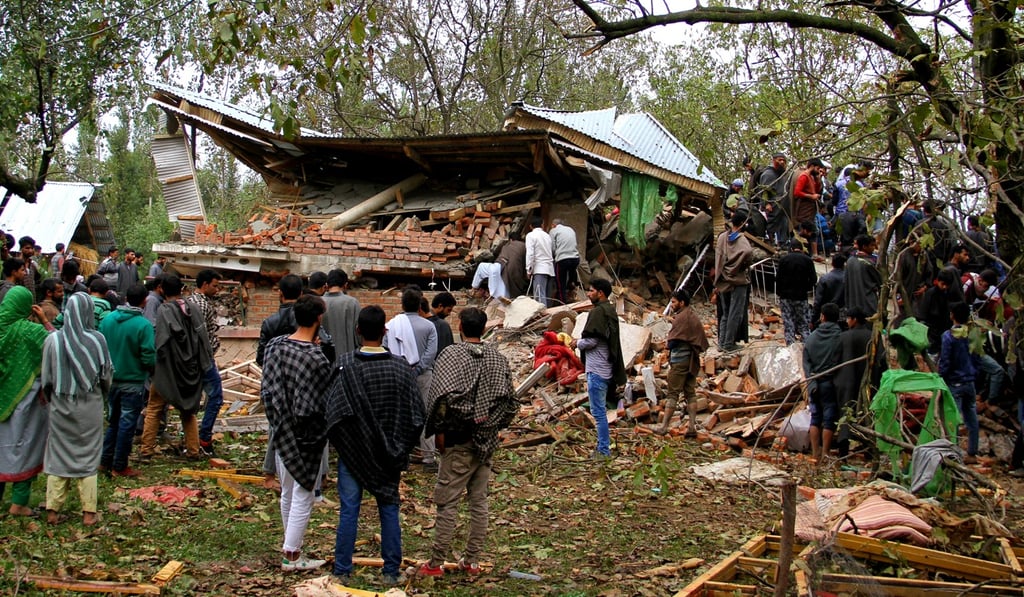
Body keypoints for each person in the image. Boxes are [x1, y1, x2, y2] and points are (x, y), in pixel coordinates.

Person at [326, 305, 425, 585]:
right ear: (385, 331)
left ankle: (342, 571)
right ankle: (391, 571)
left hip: (353, 453)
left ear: (358, 331)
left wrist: (344, 442)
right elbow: (416, 415)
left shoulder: (346, 365)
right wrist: (401, 446)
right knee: (389, 507)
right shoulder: (400, 368)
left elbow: (332, 413)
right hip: (388, 454)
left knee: (349, 510)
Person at [419, 307, 517, 578]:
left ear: (460, 326)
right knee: (479, 501)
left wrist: (439, 431)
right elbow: (510, 401)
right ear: (484, 328)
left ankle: (436, 563)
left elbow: (440, 398)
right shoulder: (497, 358)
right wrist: (493, 424)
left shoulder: (451, 354)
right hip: (485, 441)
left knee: (448, 502)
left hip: (457, 439)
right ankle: (472, 561)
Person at [261, 295, 333, 571]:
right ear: (318, 318)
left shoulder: (275, 347)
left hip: (281, 428)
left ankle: (290, 543)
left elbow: (268, 388)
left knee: (288, 492)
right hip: (306, 434)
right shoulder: (315, 357)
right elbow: (318, 402)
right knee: (304, 493)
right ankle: (292, 554)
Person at [41, 292, 112, 526]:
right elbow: (106, 375)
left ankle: (52, 511)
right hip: (90, 405)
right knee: (89, 455)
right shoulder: (97, 340)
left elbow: (47, 379)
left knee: (58, 454)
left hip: (61, 405)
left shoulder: (53, 340)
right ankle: (89, 513)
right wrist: (102, 396)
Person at [140, 275, 212, 461]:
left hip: (167, 370)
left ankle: (146, 449)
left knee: (154, 407)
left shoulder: (164, 310)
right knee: (188, 410)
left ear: (162, 289)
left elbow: (161, 342)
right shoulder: (193, 308)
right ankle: (193, 450)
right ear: (181, 289)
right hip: (189, 369)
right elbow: (203, 336)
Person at [0, 287, 52, 517]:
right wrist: (44, 321)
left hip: (3, 399)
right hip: (26, 401)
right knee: (26, 444)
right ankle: (19, 502)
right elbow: (58, 344)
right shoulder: (30, 332)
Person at [99, 284, 155, 478]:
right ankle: (120, 465)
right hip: (133, 380)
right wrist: (152, 371)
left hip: (111, 379)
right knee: (127, 424)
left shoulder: (108, 320)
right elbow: (148, 355)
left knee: (113, 421)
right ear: (144, 300)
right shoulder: (143, 325)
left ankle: (105, 461)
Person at [384, 287, 439, 469]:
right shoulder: (428, 326)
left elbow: (386, 349)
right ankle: (428, 457)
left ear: (402, 304)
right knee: (425, 415)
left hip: (397, 375)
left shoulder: (392, 325)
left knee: (400, 414)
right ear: (419, 305)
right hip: (423, 376)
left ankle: (400, 454)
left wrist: (401, 370)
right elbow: (431, 353)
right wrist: (417, 369)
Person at [571, 278, 626, 458]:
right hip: (607, 368)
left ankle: (603, 450)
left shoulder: (598, 312)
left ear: (600, 293)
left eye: (591, 290)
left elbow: (593, 340)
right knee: (600, 411)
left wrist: (576, 343)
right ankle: (603, 447)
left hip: (597, 370)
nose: (588, 293)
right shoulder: (610, 310)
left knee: (598, 413)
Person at [657, 289, 708, 436]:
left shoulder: (681, 318)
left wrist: (667, 345)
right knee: (690, 393)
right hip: (692, 361)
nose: (671, 305)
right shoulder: (692, 316)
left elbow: (672, 342)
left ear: (682, 302)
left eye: (673, 302)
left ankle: (664, 426)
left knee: (673, 393)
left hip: (680, 361)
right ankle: (692, 426)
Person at [187, 269, 224, 456]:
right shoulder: (200, 305)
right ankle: (204, 437)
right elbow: (199, 336)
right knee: (216, 396)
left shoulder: (192, 301)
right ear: (205, 284)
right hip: (203, 358)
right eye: (215, 286)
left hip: (198, 358)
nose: (217, 290)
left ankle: (192, 439)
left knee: (193, 399)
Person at [939, 303, 979, 464]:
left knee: (953, 418)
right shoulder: (972, 334)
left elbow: (945, 361)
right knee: (971, 417)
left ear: (952, 315)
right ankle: (972, 451)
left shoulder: (949, 336)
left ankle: (953, 453)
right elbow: (977, 357)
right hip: (969, 381)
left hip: (954, 382)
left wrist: (940, 376)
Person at [803, 302, 843, 462]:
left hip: (814, 383)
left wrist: (811, 382)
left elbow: (806, 363)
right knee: (829, 418)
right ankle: (826, 453)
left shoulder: (811, 338)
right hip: (831, 383)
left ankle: (815, 454)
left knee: (815, 417)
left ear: (822, 317)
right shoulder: (840, 337)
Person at [835, 307, 873, 458]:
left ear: (854, 319)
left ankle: (843, 452)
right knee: (867, 414)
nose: (846, 321)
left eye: (848, 318)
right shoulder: (872, 336)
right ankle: (869, 450)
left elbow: (835, 359)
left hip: (846, 382)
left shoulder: (843, 337)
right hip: (868, 383)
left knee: (845, 415)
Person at [713, 213, 753, 352]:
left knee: (725, 313)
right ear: (742, 223)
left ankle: (721, 342)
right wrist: (739, 266)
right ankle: (729, 343)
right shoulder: (742, 239)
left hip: (723, 279)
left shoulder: (723, 237)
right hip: (738, 281)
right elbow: (748, 252)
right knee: (734, 313)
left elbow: (719, 256)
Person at [776, 240, 817, 343]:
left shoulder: (784, 260)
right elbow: (813, 279)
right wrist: (806, 288)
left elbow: (778, 278)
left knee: (788, 322)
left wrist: (779, 292)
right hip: (801, 296)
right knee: (803, 322)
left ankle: (790, 346)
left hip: (785, 296)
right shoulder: (807, 260)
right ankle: (806, 345)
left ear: (791, 248)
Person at [917, 268, 962, 355]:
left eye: (947, 285)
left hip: (943, 331)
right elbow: (923, 315)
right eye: (943, 284)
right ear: (937, 281)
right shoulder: (930, 294)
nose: (945, 287)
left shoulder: (949, 294)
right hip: (931, 333)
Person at [322, 268, 361, 359]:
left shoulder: (317, 303)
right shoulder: (352, 303)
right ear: (346, 285)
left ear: (327, 285)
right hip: (347, 359)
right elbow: (359, 334)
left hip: (322, 361)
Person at [893, 235, 934, 316]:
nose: (921, 247)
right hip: (905, 294)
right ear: (911, 243)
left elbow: (929, 273)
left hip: (918, 294)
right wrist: (898, 297)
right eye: (919, 244)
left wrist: (924, 288)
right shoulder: (903, 256)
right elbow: (897, 278)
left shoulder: (924, 255)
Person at [793, 158, 825, 258]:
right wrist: (811, 196)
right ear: (812, 166)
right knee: (803, 231)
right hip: (804, 209)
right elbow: (797, 192)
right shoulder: (804, 176)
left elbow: (815, 190)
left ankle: (814, 254)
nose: (818, 170)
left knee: (813, 231)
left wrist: (818, 179)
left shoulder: (811, 177)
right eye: (818, 168)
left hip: (811, 210)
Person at [757, 153, 791, 245]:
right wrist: (766, 204)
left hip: (784, 204)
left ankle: (783, 242)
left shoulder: (784, 174)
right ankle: (771, 242)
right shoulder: (768, 174)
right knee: (772, 223)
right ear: (774, 160)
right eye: (780, 160)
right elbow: (763, 191)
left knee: (784, 222)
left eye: (784, 160)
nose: (782, 162)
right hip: (773, 203)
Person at [844, 235, 881, 318]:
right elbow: (880, 282)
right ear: (864, 246)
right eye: (871, 245)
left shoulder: (850, 260)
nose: (873, 248)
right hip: (868, 304)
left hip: (853, 303)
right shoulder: (868, 263)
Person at [549, 219, 581, 304]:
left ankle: (562, 303)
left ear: (553, 225)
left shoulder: (553, 231)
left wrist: (553, 256)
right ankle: (571, 285)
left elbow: (552, 247)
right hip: (575, 258)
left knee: (560, 283)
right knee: (571, 275)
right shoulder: (570, 229)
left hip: (562, 259)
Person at [525, 217, 554, 306]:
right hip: (550, 269)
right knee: (548, 297)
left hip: (539, 269)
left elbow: (530, 254)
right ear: (542, 225)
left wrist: (528, 269)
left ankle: (542, 318)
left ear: (530, 226)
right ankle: (549, 317)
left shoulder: (530, 235)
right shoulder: (547, 235)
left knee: (539, 297)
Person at [812, 254, 846, 326]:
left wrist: (813, 318)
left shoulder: (825, 278)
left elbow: (818, 300)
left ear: (832, 263)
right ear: (844, 264)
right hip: (844, 314)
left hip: (828, 314)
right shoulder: (849, 278)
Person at [496, 232, 529, 299]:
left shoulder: (505, 246)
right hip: (516, 271)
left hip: (501, 269)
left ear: (510, 239)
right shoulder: (524, 246)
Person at [429, 291, 457, 356]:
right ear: (440, 306)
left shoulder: (423, 320)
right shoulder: (443, 325)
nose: (449, 314)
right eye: (448, 310)